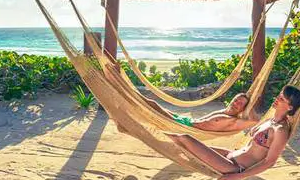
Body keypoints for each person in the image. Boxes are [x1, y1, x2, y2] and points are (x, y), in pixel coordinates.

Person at [167, 85, 300, 180]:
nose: (277, 99)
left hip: (234, 167)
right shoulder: (270, 120)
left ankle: (156, 134)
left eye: (282, 99)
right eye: (278, 96)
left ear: (290, 107)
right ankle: (158, 134)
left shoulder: (281, 130)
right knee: (182, 148)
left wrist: (237, 177)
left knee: (184, 138)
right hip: (230, 154)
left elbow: (269, 162)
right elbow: (252, 121)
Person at [99, 49, 257, 132]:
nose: (236, 103)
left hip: (186, 127)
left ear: (243, 109)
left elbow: (255, 121)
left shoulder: (234, 121)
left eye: (240, 104)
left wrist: (252, 104)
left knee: (151, 105)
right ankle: (121, 86)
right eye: (237, 99)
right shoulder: (224, 111)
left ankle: (121, 86)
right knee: (150, 105)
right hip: (184, 121)